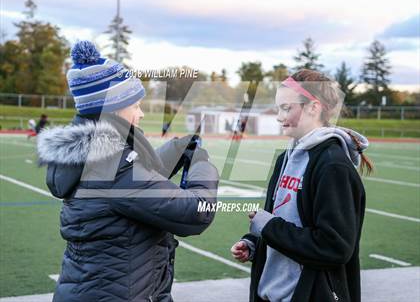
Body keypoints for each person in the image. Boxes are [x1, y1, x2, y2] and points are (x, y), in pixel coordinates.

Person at [37, 41, 219, 302]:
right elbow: (195, 213)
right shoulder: (110, 164)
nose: (141, 114)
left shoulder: (95, 153)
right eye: (135, 105)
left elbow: (138, 177)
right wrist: (203, 165)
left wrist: (177, 148)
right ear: (113, 107)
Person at [231, 69, 373, 302]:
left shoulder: (332, 165)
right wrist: (255, 242)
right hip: (271, 294)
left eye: (286, 108)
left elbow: (335, 246)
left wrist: (268, 228)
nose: (278, 116)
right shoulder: (284, 159)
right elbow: (284, 222)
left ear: (313, 107)